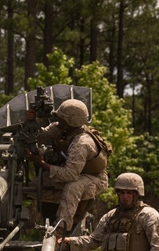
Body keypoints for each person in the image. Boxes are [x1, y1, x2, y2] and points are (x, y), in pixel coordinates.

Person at [29, 98, 111, 234]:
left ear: (70, 122)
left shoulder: (81, 143)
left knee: (73, 187)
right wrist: (31, 122)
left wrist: (42, 164)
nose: (57, 121)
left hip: (95, 179)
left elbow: (70, 175)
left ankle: (61, 227)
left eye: (61, 118)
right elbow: (41, 136)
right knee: (35, 187)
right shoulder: (63, 129)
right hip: (76, 173)